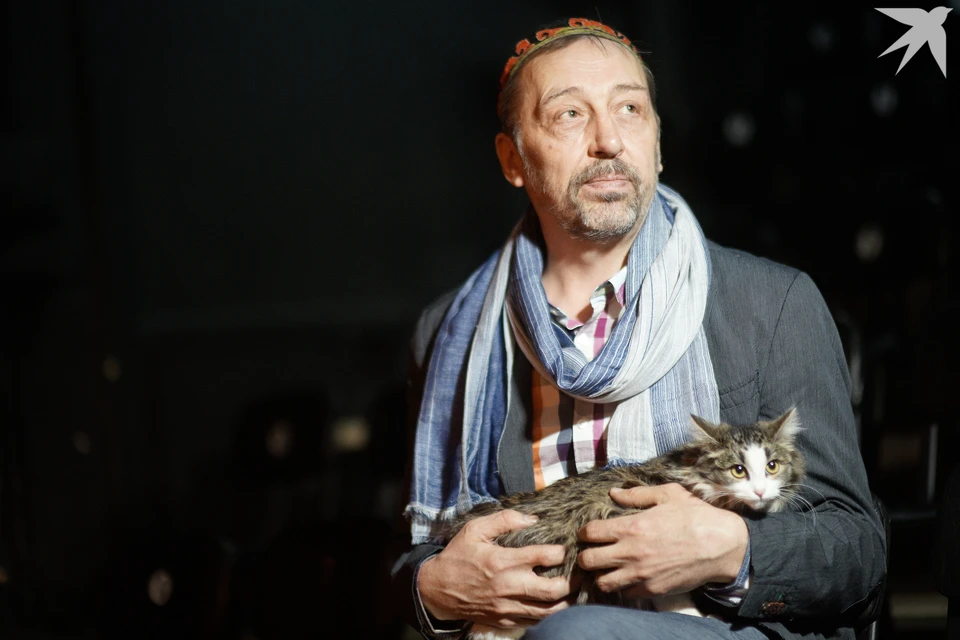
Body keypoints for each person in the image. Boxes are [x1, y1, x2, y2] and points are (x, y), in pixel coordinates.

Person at [392, 18, 885, 640]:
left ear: (656, 141)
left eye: (630, 109)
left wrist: (732, 551)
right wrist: (434, 590)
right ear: (512, 159)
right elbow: (414, 554)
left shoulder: (771, 301)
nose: (608, 140)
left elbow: (858, 551)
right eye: (570, 114)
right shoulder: (448, 333)